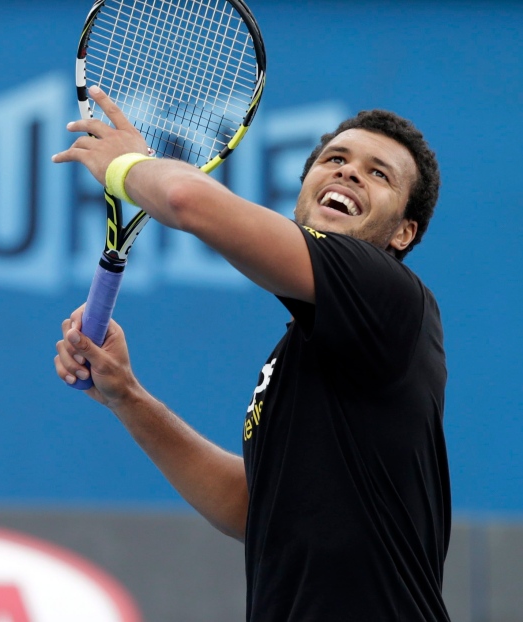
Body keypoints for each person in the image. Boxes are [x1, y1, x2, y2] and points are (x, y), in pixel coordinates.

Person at [53, 86, 450, 621]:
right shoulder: (305, 350)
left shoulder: (391, 296)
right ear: (304, 187)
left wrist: (126, 166)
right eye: (336, 159)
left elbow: (188, 200)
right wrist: (126, 395)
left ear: (404, 233)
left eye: (379, 173)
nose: (350, 172)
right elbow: (253, 507)